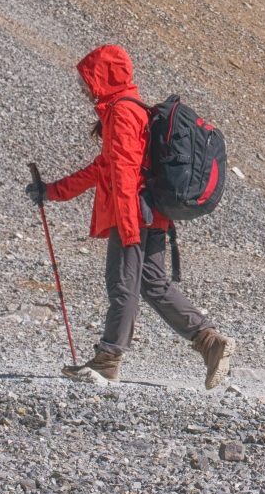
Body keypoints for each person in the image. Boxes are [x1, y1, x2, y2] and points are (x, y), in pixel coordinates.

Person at [27, 45, 233, 388]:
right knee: (151, 283)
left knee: (122, 284)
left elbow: (122, 174)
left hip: (132, 213)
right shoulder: (126, 110)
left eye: (87, 79)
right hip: (149, 211)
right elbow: (103, 168)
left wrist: (127, 228)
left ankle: (108, 360)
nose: (83, 87)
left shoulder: (123, 113)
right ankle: (210, 342)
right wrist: (53, 191)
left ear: (103, 76)